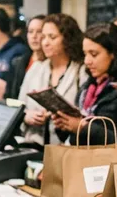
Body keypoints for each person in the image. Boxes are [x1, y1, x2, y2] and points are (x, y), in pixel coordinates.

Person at [53, 22, 117, 146]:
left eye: (94, 54)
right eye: (85, 54)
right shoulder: (88, 86)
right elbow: (74, 137)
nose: (87, 61)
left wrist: (83, 128)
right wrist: (65, 124)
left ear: (113, 53)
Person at [18, 13, 85, 147]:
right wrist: (26, 116)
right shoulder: (36, 68)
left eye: (52, 37)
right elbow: (19, 105)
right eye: (43, 37)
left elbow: (86, 112)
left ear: (67, 39)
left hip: (66, 147)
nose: (45, 43)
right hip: (33, 144)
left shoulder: (81, 71)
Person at [5, 14, 46, 99]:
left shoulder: (51, 63)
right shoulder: (19, 62)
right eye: (30, 31)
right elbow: (10, 96)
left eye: (39, 31)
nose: (34, 36)